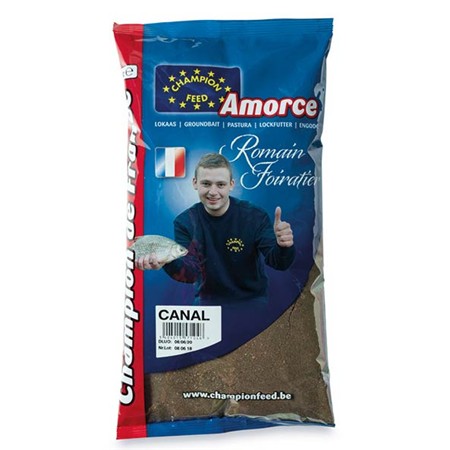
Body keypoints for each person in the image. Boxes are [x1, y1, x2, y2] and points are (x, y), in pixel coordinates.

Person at [136, 153, 295, 305]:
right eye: (206, 184)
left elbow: (279, 263)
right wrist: (165, 261)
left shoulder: (255, 216)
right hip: (207, 302)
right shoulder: (184, 222)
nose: (213, 192)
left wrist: (284, 246)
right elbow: (190, 274)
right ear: (195, 183)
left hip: (252, 301)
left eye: (220, 184)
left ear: (231, 185)